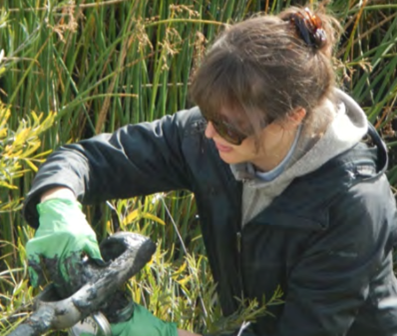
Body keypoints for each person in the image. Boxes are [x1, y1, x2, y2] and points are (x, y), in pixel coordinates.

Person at [22, 4, 397, 336]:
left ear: (292, 116)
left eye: (230, 125)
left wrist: (157, 333)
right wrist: (58, 204)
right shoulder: (215, 133)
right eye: (208, 114)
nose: (210, 132)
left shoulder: (353, 206)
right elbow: (89, 159)